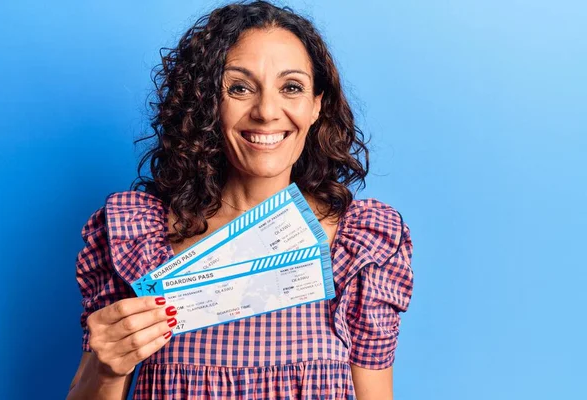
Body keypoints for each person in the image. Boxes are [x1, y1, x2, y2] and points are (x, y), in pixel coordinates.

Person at [67, 1, 414, 399]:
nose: (267, 111)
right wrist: (106, 369)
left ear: (316, 105)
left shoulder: (361, 247)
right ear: (208, 103)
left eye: (291, 87)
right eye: (239, 88)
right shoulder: (137, 237)